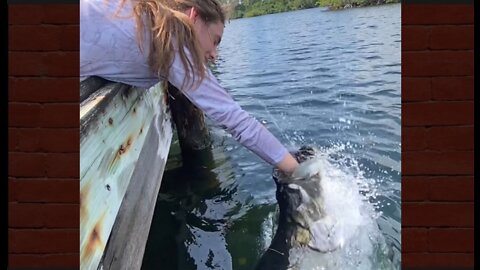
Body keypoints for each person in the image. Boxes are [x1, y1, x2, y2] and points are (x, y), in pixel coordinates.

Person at [80, 0, 299, 174]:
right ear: (193, 17)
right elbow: (236, 120)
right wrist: (298, 172)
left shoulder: (147, 18)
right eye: (215, 40)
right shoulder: (175, 41)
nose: (215, 55)